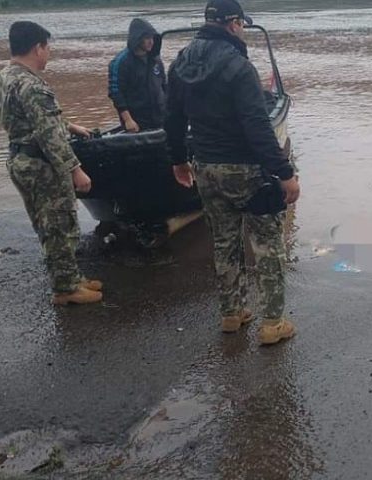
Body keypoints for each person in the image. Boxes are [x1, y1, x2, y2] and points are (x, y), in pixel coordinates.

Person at [166, 0, 301, 345]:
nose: (242, 30)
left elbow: (173, 119)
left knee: (224, 242)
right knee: (267, 243)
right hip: (246, 171)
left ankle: (232, 313)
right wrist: (285, 172)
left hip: (206, 168)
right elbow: (257, 126)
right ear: (234, 24)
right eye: (242, 24)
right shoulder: (240, 67)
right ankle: (272, 323)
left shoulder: (180, 63)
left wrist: (178, 160)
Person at [0, 21, 103, 305]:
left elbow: (31, 119)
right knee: (59, 224)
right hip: (42, 165)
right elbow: (48, 134)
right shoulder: (32, 85)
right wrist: (75, 170)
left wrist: (70, 126)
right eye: (47, 47)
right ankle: (66, 288)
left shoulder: (4, 77)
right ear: (37, 48)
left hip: (20, 159)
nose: (49, 53)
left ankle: (70, 277)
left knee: (45, 222)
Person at [108, 18, 167, 132]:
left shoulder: (155, 59)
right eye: (147, 38)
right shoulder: (121, 62)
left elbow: (164, 85)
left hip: (160, 116)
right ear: (138, 39)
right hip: (137, 121)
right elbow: (116, 93)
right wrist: (128, 120)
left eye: (152, 38)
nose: (151, 42)